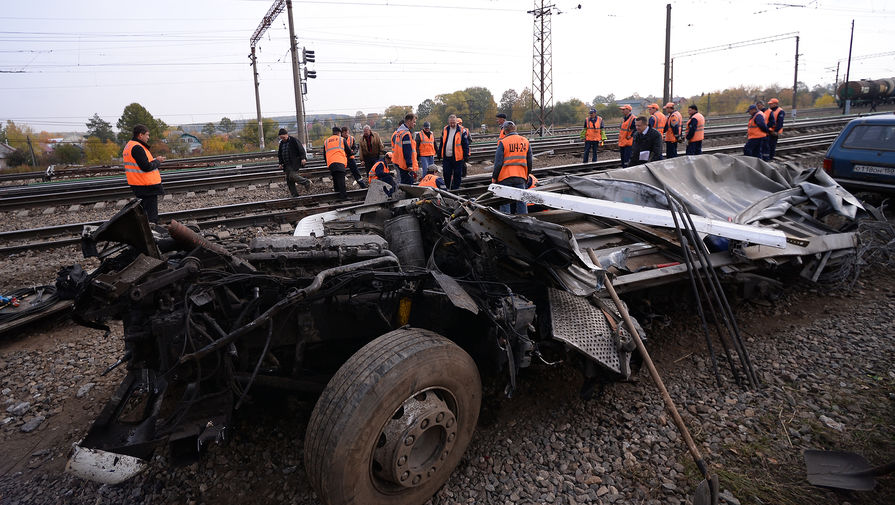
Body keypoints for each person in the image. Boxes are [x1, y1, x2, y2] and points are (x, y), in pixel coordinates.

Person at [123, 124, 166, 224]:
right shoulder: (137, 147)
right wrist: (158, 162)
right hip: (146, 185)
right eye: (147, 135)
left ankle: (147, 233)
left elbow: (140, 164)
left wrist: (154, 160)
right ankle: (151, 235)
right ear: (140, 135)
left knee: (145, 212)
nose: (148, 137)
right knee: (151, 215)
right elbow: (146, 167)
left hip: (139, 184)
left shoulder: (129, 145)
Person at [492, 121, 533, 215]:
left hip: (505, 177)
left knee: (505, 201)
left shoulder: (503, 142)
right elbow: (529, 161)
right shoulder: (525, 141)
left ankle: (506, 222)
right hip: (521, 176)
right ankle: (524, 221)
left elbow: (498, 163)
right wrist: (527, 175)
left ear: (504, 131)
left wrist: (494, 177)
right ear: (515, 129)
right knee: (521, 200)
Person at [440, 114, 470, 190]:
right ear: (448, 122)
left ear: (456, 121)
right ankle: (447, 188)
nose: (452, 124)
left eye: (454, 122)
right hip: (447, 157)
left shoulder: (461, 130)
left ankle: (455, 189)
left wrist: (466, 155)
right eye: (451, 123)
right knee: (446, 174)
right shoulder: (445, 129)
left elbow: (465, 144)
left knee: (457, 174)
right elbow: (442, 142)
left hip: (457, 157)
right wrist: (439, 153)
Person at [391, 113, 419, 185]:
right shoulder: (406, 134)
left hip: (399, 162)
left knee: (403, 183)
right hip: (405, 165)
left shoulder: (400, 132)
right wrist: (409, 165)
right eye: (414, 122)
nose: (414, 124)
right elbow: (407, 150)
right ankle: (409, 196)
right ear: (409, 121)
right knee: (408, 185)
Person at [324, 126, 350, 199]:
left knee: (335, 179)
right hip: (340, 161)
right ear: (339, 133)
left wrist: (327, 163)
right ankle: (343, 196)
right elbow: (348, 151)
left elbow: (324, 154)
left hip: (331, 163)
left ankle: (337, 195)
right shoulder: (341, 139)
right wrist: (352, 153)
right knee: (341, 180)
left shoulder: (326, 141)